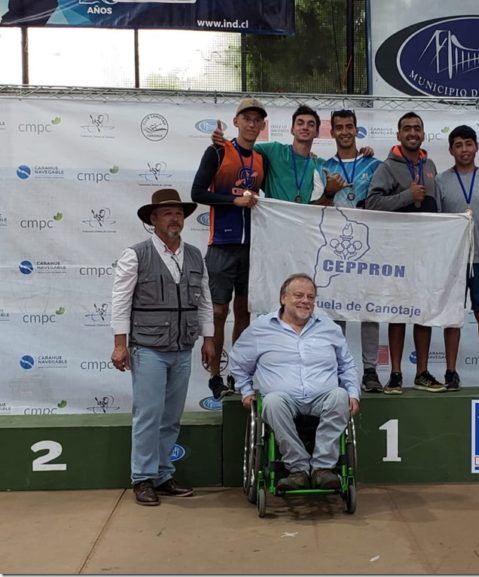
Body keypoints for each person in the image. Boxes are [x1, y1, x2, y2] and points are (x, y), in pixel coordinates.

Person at [110, 189, 216, 506]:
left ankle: (162, 475)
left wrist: (209, 339)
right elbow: (120, 302)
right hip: (148, 348)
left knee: (171, 417)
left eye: (179, 213)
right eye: (168, 213)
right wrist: (120, 345)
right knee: (148, 414)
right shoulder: (135, 254)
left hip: (183, 347)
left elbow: (205, 301)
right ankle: (142, 478)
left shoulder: (195, 255)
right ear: (153, 219)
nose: (175, 218)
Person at [228, 273, 360, 491]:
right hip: (283, 399)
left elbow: (346, 365)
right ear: (283, 298)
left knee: (340, 396)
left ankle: (322, 469)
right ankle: (298, 469)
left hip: (322, 397)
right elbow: (238, 362)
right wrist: (246, 390)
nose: (305, 301)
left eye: (310, 297)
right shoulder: (261, 329)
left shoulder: (330, 328)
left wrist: (353, 393)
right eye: (299, 295)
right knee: (272, 401)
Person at [365, 111, 446, 394]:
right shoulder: (387, 167)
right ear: (398, 134)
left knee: (423, 312)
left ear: (423, 133)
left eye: (417, 128)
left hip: (425, 252)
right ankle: (396, 373)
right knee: (398, 311)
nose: (412, 133)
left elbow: (435, 206)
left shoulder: (430, 164)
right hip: (397, 251)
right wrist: (407, 196)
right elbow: (372, 204)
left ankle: (422, 372)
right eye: (407, 128)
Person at [191, 98, 265, 400]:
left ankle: (238, 373)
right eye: (246, 118)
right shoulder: (218, 151)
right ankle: (215, 376)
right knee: (219, 311)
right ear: (236, 122)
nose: (252, 124)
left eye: (257, 120)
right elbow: (197, 193)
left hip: (251, 247)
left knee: (244, 313)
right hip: (221, 244)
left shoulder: (261, 158)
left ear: (262, 125)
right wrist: (233, 201)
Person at [317, 108, 385, 393]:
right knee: (337, 310)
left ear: (357, 129)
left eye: (349, 126)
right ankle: (338, 372)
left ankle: (370, 371)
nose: (345, 132)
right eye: (339, 127)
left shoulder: (375, 164)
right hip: (336, 247)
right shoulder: (323, 167)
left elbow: (384, 203)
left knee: (369, 308)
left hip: (368, 246)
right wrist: (330, 192)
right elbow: (316, 208)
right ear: (332, 132)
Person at [436, 125, 479, 392]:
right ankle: (451, 373)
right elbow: (436, 221)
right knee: (452, 316)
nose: (464, 149)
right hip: (453, 259)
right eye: (458, 145)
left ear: (476, 147)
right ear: (451, 150)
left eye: (468, 143)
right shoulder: (440, 181)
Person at [212, 104, 339, 204]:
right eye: (300, 123)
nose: (305, 127)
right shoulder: (274, 150)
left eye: (311, 124)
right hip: (273, 224)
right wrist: (223, 142)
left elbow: (321, 208)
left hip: (304, 225)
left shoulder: (321, 165)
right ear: (292, 130)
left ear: (317, 133)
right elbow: (242, 149)